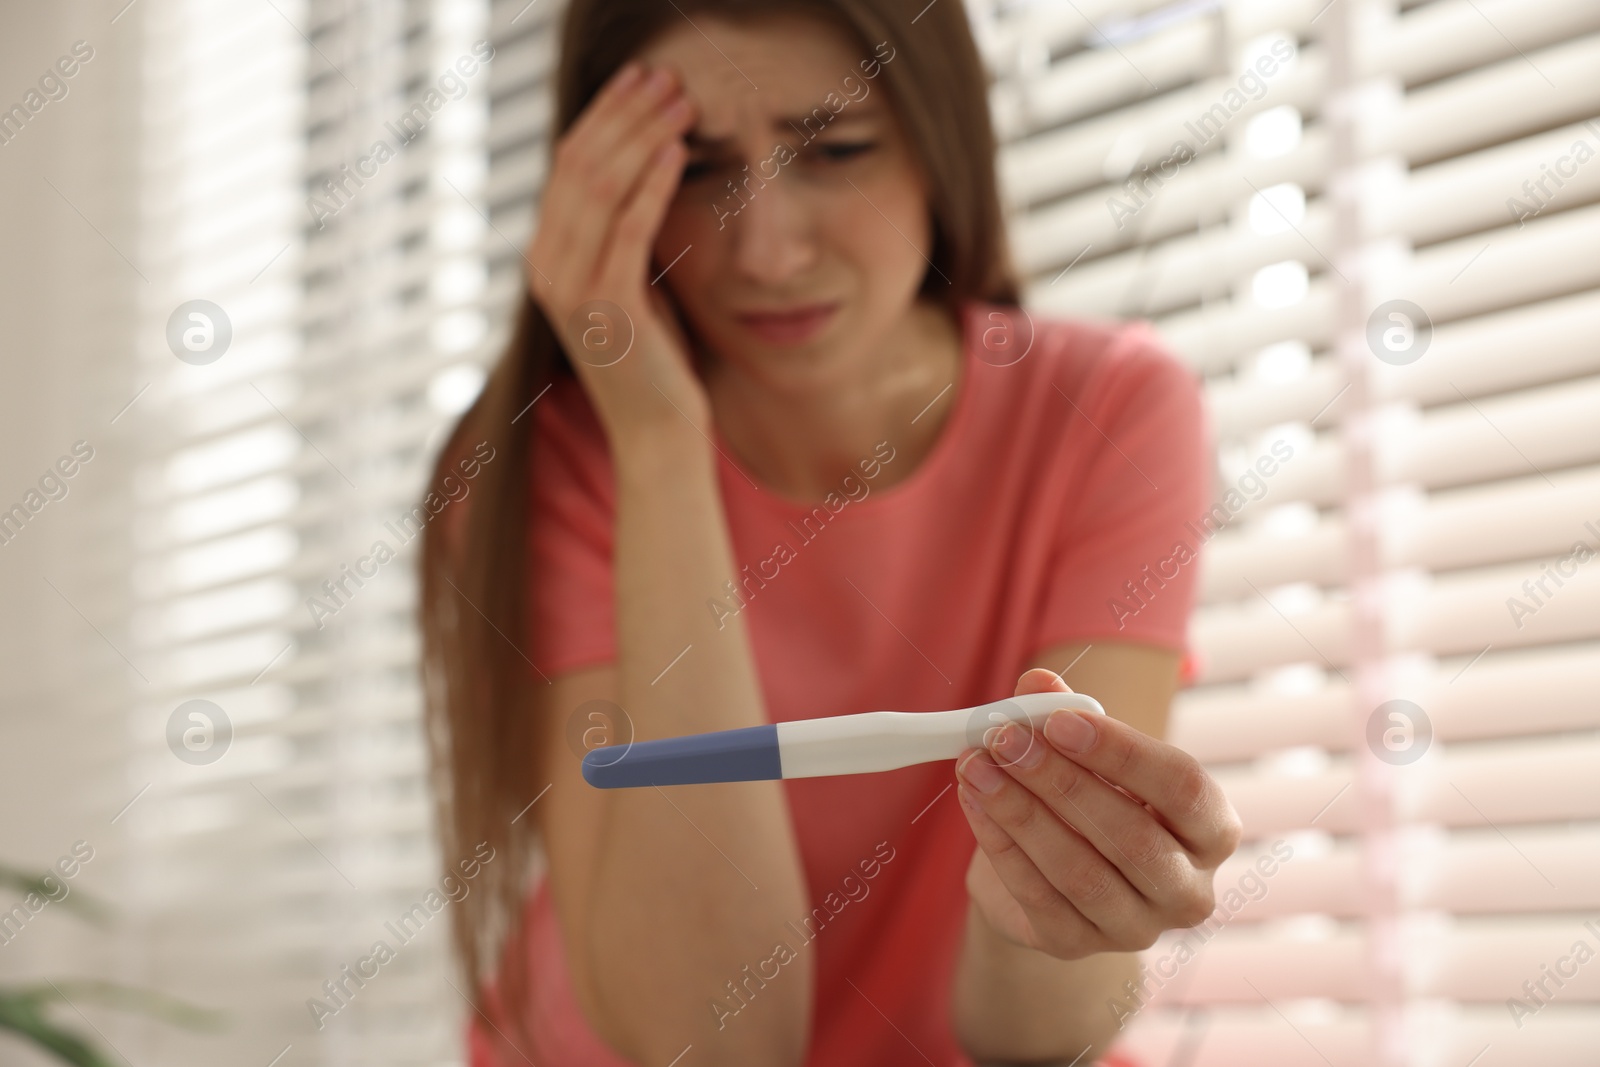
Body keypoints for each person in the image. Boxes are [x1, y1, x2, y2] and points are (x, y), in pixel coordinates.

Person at [419, 1, 1243, 1064]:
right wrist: (659, 442)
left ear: (938, 137)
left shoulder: (1111, 413)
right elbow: (714, 1041)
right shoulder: (539, 462)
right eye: (695, 168)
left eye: (837, 147)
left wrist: (1064, 904)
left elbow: (1036, 1033)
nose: (765, 250)